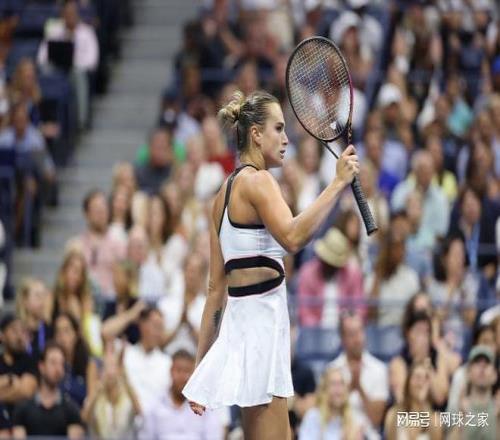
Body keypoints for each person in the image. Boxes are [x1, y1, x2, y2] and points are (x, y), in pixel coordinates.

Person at [182, 90, 359, 439]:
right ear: (256, 134)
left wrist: (203, 369)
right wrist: (337, 182)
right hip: (260, 331)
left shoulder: (220, 198)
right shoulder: (259, 181)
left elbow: (216, 292)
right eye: (278, 128)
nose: (286, 139)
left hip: (247, 330)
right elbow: (293, 237)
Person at [329, 312, 388, 440]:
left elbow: (376, 419)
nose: (357, 339)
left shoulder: (379, 369)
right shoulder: (332, 370)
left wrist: (359, 388)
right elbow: (327, 413)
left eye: (360, 331)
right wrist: (350, 387)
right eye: (351, 334)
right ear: (342, 339)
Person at [141, 349, 223, 439]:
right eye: (178, 370)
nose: (183, 376)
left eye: (187, 371)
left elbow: (213, 436)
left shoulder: (205, 407)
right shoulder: (155, 406)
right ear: (171, 371)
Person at [12, 342, 85, 439]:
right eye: (53, 363)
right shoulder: (23, 409)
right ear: (41, 366)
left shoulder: (71, 410)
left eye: (61, 364)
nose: (58, 369)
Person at [297, 227, 365, 328]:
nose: (329, 266)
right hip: (315, 331)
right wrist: (318, 329)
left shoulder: (353, 274)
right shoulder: (307, 273)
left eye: (333, 263)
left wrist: (348, 325)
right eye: (327, 261)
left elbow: (359, 308)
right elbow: (304, 312)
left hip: (345, 331)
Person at [123, 306, 172, 414]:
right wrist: (131, 314)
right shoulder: (125, 355)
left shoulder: (167, 363)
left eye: (161, 328)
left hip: (155, 420)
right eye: (155, 326)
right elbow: (105, 333)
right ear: (142, 325)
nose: (158, 333)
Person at [298, 366, 363, 439]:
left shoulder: (353, 418)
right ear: (324, 389)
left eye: (341, 383)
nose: (338, 389)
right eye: (333, 384)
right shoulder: (313, 416)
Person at [449, 346, 498, 440]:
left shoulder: (498, 410)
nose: (482, 366)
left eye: (487, 363)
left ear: (495, 375)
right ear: (468, 373)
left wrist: (497, 419)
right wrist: (462, 416)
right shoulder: (457, 409)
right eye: (477, 362)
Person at [0, 314, 37, 437]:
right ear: (2, 335)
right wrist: (12, 381)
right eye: (14, 330)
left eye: (22, 331)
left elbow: (26, 392)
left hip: (25, 426)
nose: (19, 335)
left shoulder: (29, 361)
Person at [384, 360, 442, 440]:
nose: (421, 383)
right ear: (409, 381)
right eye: (418, 377)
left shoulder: (435, 419)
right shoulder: (393, 413)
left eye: (426, 378)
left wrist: (423, 404)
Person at [53, 313, 98, 408]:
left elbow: (91, 401)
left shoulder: (89, 365)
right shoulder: (53, 365)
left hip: (81, 413)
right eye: (58, 332)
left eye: (66, 331)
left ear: (76, 334)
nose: (62, 336)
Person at [15, 278, 52, 360]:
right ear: (25, 300)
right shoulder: (16, 331)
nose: (42, 301)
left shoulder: (49, 329)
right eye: (38, 296)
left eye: (44, 296)